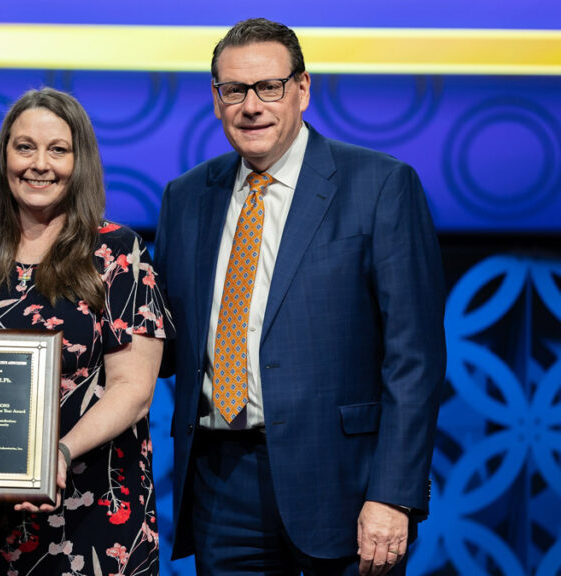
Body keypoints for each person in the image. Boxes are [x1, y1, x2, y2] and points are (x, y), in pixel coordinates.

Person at [155, 18, 446, 576]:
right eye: (233, 90)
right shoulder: (187, 197)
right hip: (221, 486)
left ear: (302, 89)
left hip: (343, 486)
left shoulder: (381, 185)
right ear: (216, 100)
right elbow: (163, 343)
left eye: (269, 87)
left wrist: (394, 495)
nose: (251, 106)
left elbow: (415, 360)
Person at [0, 87, 174, 575]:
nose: (39, 164)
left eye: (57, 150)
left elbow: (134, 389)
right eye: (25, 147)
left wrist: (58, 453)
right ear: (5, 156)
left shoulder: (117, 253)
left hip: (94, 515)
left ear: (79, 160)